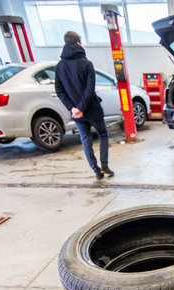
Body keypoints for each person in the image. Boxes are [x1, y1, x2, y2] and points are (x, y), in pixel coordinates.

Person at [54, 31, 113, 180]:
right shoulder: (86, 63)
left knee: (85, 139)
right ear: (78, 43)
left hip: (77, 113)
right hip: (92, 108)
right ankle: (104, 164)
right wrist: (81, 107)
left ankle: (96, 170)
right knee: (103, 134)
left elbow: (59, 90)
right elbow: (89, 89)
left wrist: (73, 108)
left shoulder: (60, 67)